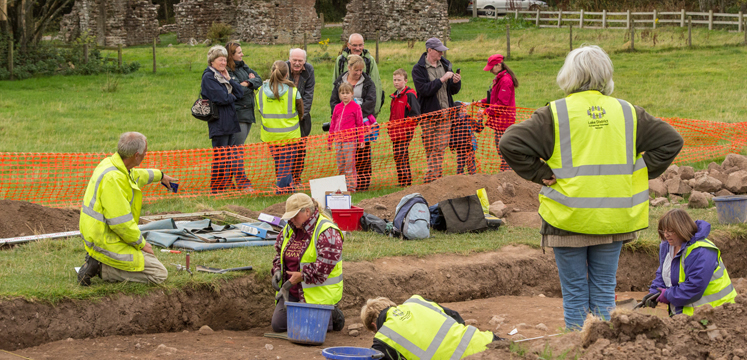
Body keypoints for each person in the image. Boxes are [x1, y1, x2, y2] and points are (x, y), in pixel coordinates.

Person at [498, 45, 684, 330]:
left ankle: (576, 349)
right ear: (606, 76)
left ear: (568, 76)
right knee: (603, 293)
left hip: (567, 218)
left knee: (574, 295)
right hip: (612, 220)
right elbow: (672, 141)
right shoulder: (627, 112)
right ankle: (601, 351)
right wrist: (643, 171)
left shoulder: (555, 113)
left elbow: (509, 143)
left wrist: (540, 173)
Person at [77, 132, 177, 286]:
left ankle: (99, 261)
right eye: (145, 152)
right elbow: (120, 223)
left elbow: (137, 175)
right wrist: (142, 244)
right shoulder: (114, 179)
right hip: (105, 240)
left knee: (145, 260)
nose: (146, 155)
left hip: (100, 234)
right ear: (137, 155)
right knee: (159, 274)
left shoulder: (112, 165)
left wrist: (160, 176)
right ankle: (100, 267)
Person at [270, 193, 345, 332]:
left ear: (308, 212)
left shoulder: (327, 232)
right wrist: (277, 270)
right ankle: (319, 315)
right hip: (292, 292)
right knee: (278, 326)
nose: (291, 220)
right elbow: (278, 253)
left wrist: (302, 276)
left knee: (309, 330)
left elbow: (323, 267)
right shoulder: (289, 228)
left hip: (316, 295)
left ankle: (331, 313)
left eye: (295, 215)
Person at [642, 209, 737, 316]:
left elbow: (694, 287)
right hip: (685, 315)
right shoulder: (668, 246)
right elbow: (663, 273)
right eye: (663, 231)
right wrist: (655, 291)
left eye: (670, 231)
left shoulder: (701, 251)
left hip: (716, 313)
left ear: (682, 229)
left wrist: (667, 295)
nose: (666, 235)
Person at [361, 295, 500, 360]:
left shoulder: (382, 337)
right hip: (491, 343)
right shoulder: (416, 301)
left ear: (374, 326)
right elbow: (457, 318)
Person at [411, 37, 462, 183]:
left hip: (446, 114)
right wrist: (442, 80)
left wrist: (456, 82)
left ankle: (432, 177)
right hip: (429, 115)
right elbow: (424, 90)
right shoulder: (418, 69)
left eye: (442, 51)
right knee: (430, 147)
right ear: (430, 50)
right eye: (439, 51)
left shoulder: (446, 65)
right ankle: (436, 177)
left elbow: (452, 91)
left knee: (440, 146)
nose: (441, 54)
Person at [201, 45, 245, 194]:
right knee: (220, 157)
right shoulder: (208, 77)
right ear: (212, 61)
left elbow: (240, 93)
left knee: (227, 157)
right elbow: (222, 97)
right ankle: (217, 188)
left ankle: (225, 184)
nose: (223, 63)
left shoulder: (223, 75)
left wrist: (229, 79)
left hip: (230, 121)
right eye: (220, 60)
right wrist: (230, 96)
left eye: (225, 60)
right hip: (219, 122)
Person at [256, 61, 304, 195]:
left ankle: (290, 190)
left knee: (281, 164)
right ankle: (281, 191)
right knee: (285, 165)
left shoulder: (261, 91)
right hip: (290, 135)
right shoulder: (293, 90)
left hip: (271, 135)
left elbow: (260, 109)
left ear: (272, 72)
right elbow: (301, 110)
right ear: (287, 74)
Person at [331, 55, 377, 192]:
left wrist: (355, 113)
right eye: (356, 70)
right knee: (342, 160)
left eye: (361, 70)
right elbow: (334, 101)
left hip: (362, 122)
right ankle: (343, 185)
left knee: (362, 155)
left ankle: (361, 184)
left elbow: (371, 101)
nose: (359, 73)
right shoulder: (340, 81)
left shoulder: (368, 82)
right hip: (342, 128)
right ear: (349, 67)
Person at [225, 41, 262, 192]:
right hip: (238, 113)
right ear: (231, 55)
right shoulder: (228, 71)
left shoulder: (244, 66)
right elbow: (236, 91)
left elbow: (258, 80)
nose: (242, 54)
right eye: (239, 52)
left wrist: (247, 82)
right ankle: (242, 182)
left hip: (248, 112)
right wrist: (248, 85)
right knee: (237, 151)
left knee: (237, 149)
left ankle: (229, 181)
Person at [480, 53, 517, 172]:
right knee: (500, 148)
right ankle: (506, 171)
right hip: (499, 121)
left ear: (499, 65)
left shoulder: (505, 80)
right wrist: (482, 102)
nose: (490, 70)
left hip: (504, 122)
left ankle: (507, 172)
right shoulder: (500, 78)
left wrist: (486, 111)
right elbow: (494, 98)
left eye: (492, 67)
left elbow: (502, 103)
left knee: (503, 149)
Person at [286, 48, 316, 187]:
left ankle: (296, 178)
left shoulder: (309, 70)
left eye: (300, 61)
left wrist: (301, 115)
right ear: (289, 59)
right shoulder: (282, 68)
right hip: (285, 116)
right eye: (294, 60)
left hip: (302, 116)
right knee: (284, 149)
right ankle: (285, 179)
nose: (297, 63)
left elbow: (309, 94)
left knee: (300, 149)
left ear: (305, 61)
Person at [334, 33, 384, 117]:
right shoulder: (340, 60)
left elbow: (376, 85)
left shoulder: (370, 61)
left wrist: (374, 110)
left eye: (360, 45)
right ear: (348, 45)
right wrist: (335, 110)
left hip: (364, 110)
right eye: (355, 45)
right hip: (343, 110)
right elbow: (335, 85)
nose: (358, 48)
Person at [388, 68, 421, 187]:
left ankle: (406, 180)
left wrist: (407, 127)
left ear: (405, 80)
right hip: (395, 131)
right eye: (394, 80)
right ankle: (402, 180)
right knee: (398, 155)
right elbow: (392, 114)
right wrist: (390, 127)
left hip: (405, 131)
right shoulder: (395, 96)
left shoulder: (409, 95)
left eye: (399, 80)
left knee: (400, 154)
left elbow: (416, 114)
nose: (396, 82)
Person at [329, 83, 365, 191]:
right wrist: (330, 141)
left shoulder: (356, 107)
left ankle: (351, 187)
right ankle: (342, 186)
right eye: (342, 93)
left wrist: (361, 139)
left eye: (347, 93)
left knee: (349, 165)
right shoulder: (337, 107)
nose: (345, 95)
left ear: (352, 94)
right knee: (341, 164)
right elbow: (333, 124)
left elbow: (360, 124)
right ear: (339, 94)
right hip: (338, 140)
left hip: (350, 141)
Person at [449, 101, 483, 175]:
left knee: (460, 163)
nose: (466, 109)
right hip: (469, 145)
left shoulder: (452, 120)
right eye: (464, 107)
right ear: (461, 109)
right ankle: (473, 178)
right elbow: (479, 128)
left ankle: (459, 177)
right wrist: (480, 118)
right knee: (471, 164)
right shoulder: (467, 118)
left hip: (458, 146)